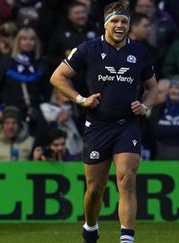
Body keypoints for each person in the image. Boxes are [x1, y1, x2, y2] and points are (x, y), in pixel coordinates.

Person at [50, 2, 158, 243]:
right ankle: (90, 225)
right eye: (116, 21)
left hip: (127, 125)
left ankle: (126, 239)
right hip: (97, 126)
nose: (120, 26)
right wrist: (80, 99)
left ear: (129, 26)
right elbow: (57, 77)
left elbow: (153, 88)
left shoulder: (140, 53)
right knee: (95, 190)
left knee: (127, 180)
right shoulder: (88, 48)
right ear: (106, 23)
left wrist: (145, 105)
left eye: (124, 22)